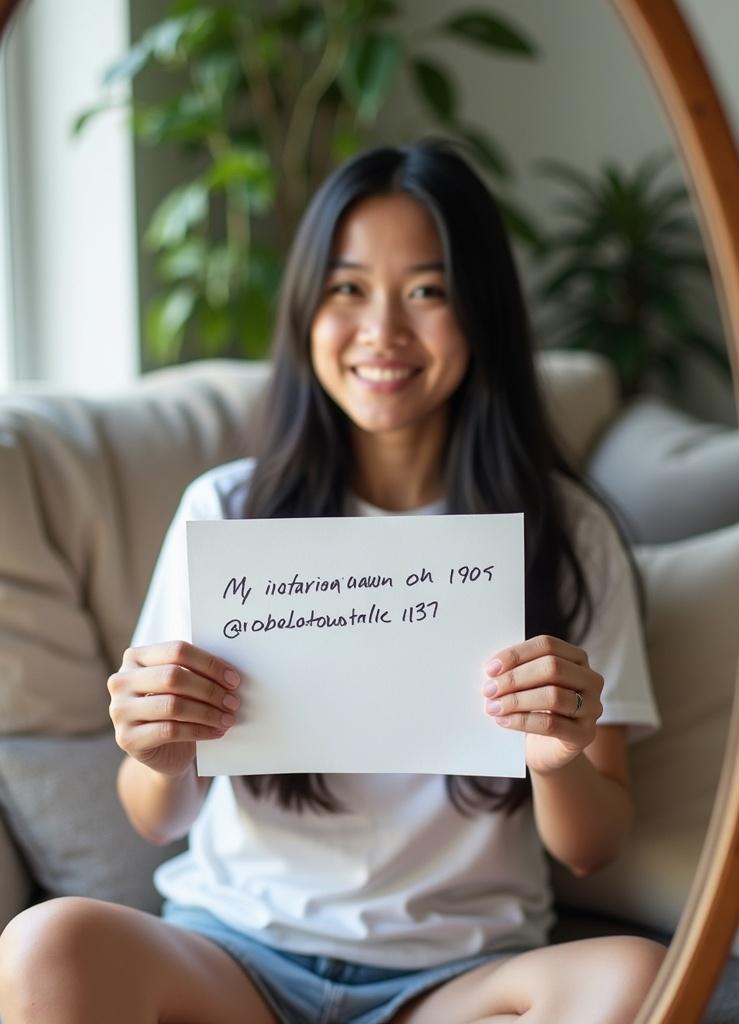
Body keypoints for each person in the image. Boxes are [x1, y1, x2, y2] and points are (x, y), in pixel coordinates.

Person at [0, 141, 664, 1023]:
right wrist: (159, 755)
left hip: (456, 975)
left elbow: (592, 847)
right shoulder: (229, 510)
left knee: (637, 978)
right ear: (307, 309)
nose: (382, 331)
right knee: (45, 943)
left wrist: (557, 757)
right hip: (235, 954)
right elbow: (154, 819)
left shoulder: (568, 534)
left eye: (427, 291)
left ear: (482, 312)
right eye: (347, 289)